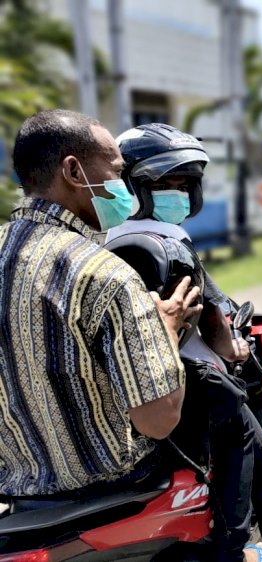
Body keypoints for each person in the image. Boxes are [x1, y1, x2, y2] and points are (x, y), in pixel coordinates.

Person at [107, 123, 262, 562]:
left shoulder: (107, 239)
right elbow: (214, 320)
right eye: (161, 184)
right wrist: (231, 348)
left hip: (143, 389)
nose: (174, 193)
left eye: (182, 183)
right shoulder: (167, 241)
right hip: (198, 384)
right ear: (133, 186)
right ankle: (241, 549)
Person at [0, 110, 198, 497]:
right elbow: (158, 421)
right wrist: (167, 331)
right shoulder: (104, 273)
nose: (123, 186)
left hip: (16, 490)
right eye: (116, 172)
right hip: (113, 481)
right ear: (74, 173)